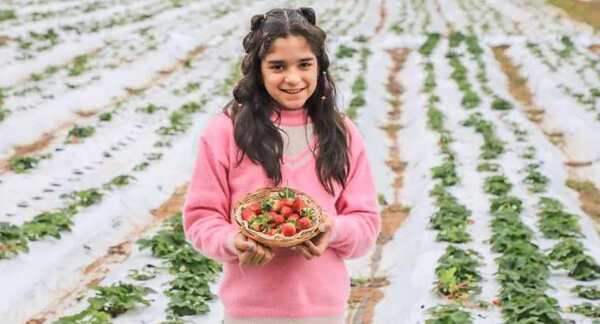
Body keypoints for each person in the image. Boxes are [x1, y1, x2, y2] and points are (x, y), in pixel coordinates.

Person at [182, 7, 380, 324]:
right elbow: (201, 218)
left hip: (323, 310)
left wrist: (333, 229)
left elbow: (365, 223)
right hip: (250, 312)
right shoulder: (226, 131)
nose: (292, 78)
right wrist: (233, 241)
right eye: (277, 66)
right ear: (258, 70)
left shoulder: (341, 133)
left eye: (304, 64)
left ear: (320, 67)